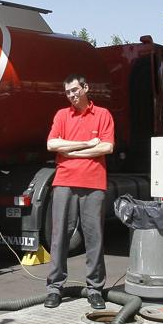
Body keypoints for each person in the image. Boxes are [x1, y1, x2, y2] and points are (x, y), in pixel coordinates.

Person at [44, 74, 115, 310]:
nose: (72, 95)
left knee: (94, 237)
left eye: (75, 90)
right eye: (68, 92)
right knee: (59, 236)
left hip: (93, 183)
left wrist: (70, 150)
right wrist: (87, 145)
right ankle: (55, 288)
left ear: (86, 88)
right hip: (64, 180)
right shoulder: (62, 115)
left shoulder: (103, 114)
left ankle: (95, 289)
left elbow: (107, 146)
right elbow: (52, 144)